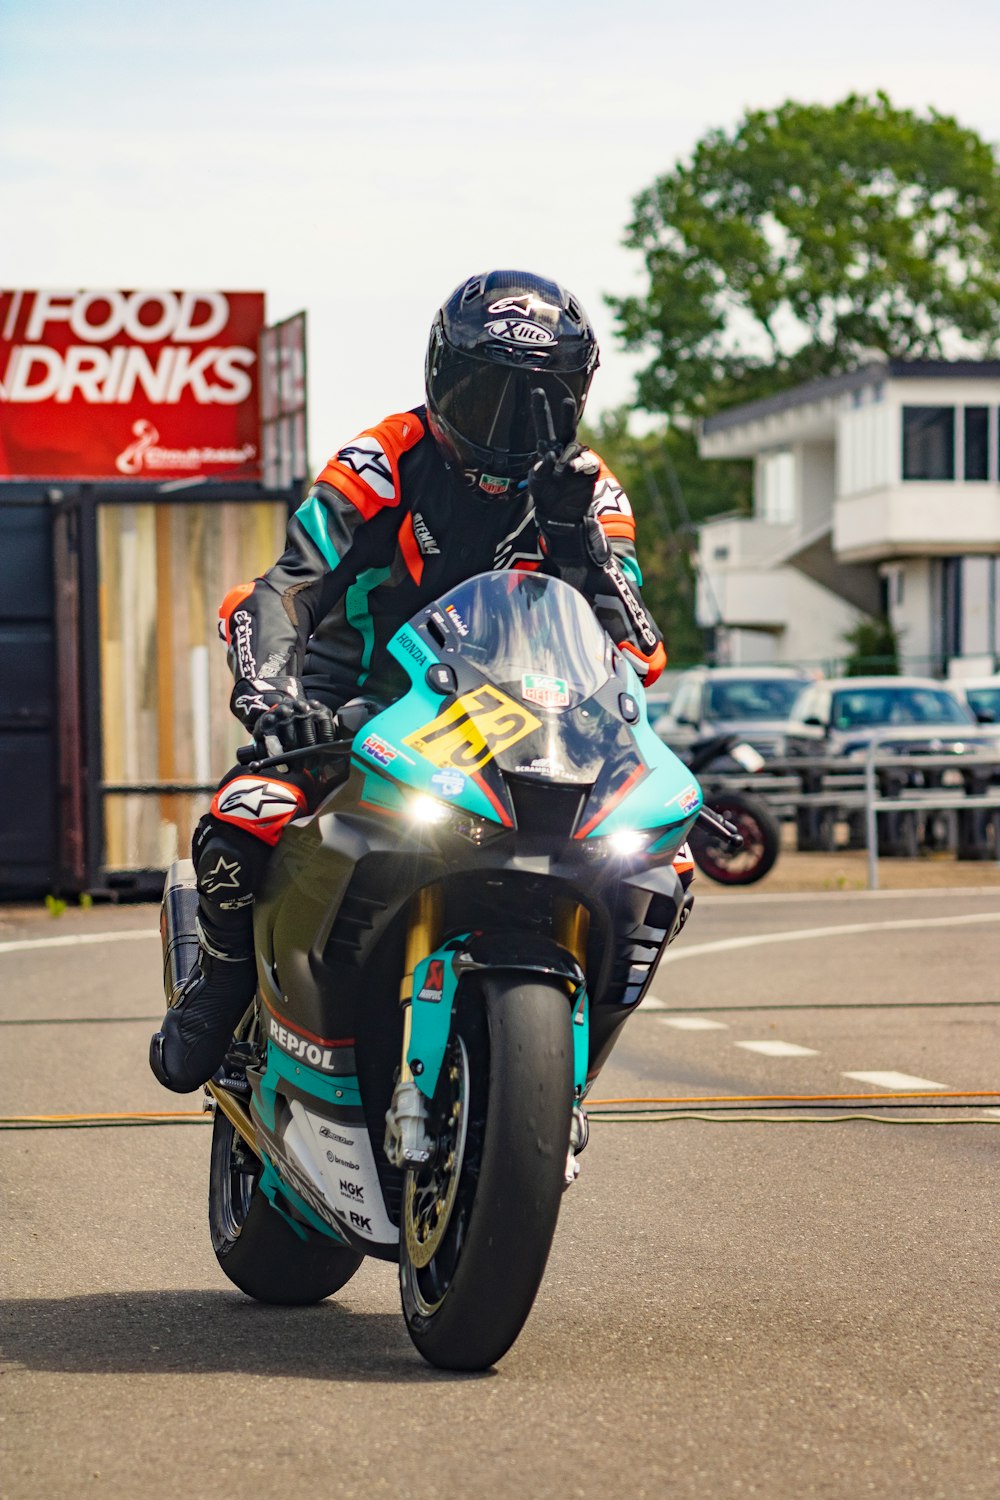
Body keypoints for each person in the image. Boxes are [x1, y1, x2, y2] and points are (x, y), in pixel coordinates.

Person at [150, 269, 678, 1095]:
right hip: (358, 698)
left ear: (575, 400)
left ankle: (564, 1072)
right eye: (486, 395)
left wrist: (584, 552)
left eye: (537, 402)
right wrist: (271, 692)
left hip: (517, 722)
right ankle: (218, 985)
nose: (510, 425)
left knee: (660, 867)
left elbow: (638, 654)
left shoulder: (590, 491)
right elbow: (287, 586)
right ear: (439, 377)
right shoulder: (381, 457)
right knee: (246, 812)